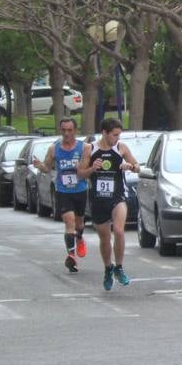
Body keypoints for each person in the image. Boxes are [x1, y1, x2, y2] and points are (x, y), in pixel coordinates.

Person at [78, 118, 140, 291]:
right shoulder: (90, 149)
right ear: (104, 133)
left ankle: (119, 267)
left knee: (119, 231)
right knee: (105, 238)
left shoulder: (121, 147)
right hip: (98, 199)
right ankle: (108, 268)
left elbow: (138, 167)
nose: (117, 138)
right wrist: (92, 168)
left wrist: (130, 166)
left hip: (117, 196)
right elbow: (80, 174)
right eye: (114, 135)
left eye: (119, 135)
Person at [35, 117, 88, 273]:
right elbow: (47, 167)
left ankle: (79, 238)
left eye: (69, 130)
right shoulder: (54, 149)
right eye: (63, 130)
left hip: (80, 189)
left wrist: (82, 167)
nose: (66, 133)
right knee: (69, 222)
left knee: (79, 224)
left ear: (75, 131)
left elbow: (87, 167)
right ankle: (71, 256)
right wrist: (40, 166)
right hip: (63, 190)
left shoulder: (83, 147)